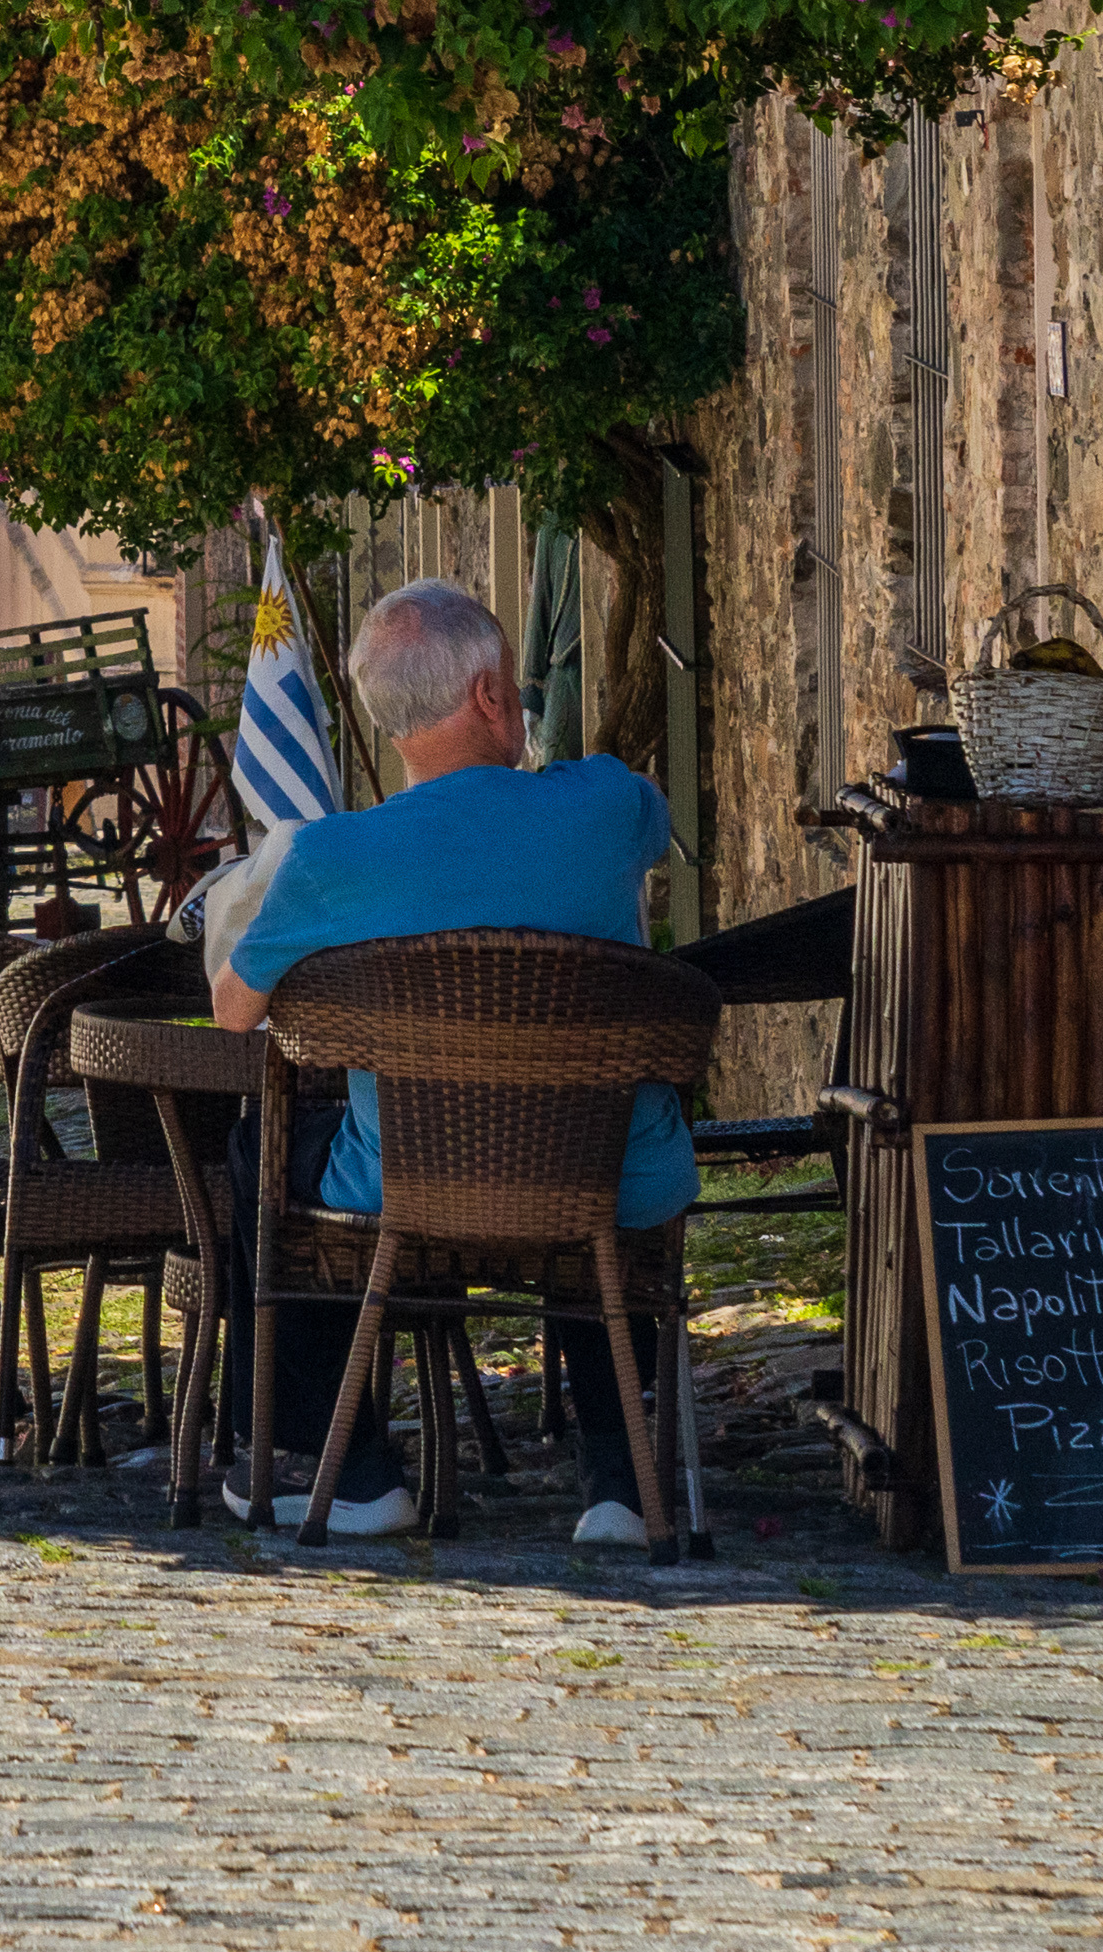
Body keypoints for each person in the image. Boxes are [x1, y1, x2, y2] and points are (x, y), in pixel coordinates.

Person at [210, 578, 698, 1546]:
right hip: (607, 1179)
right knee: (578, 1151)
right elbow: (652, 820)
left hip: (407, 1180)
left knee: (259, 1148)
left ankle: (344, 1465)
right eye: (513, 683)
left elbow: (230, 1010)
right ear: (487, 696)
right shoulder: (604, 804)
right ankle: (618, 1476)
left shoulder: (331, 858)